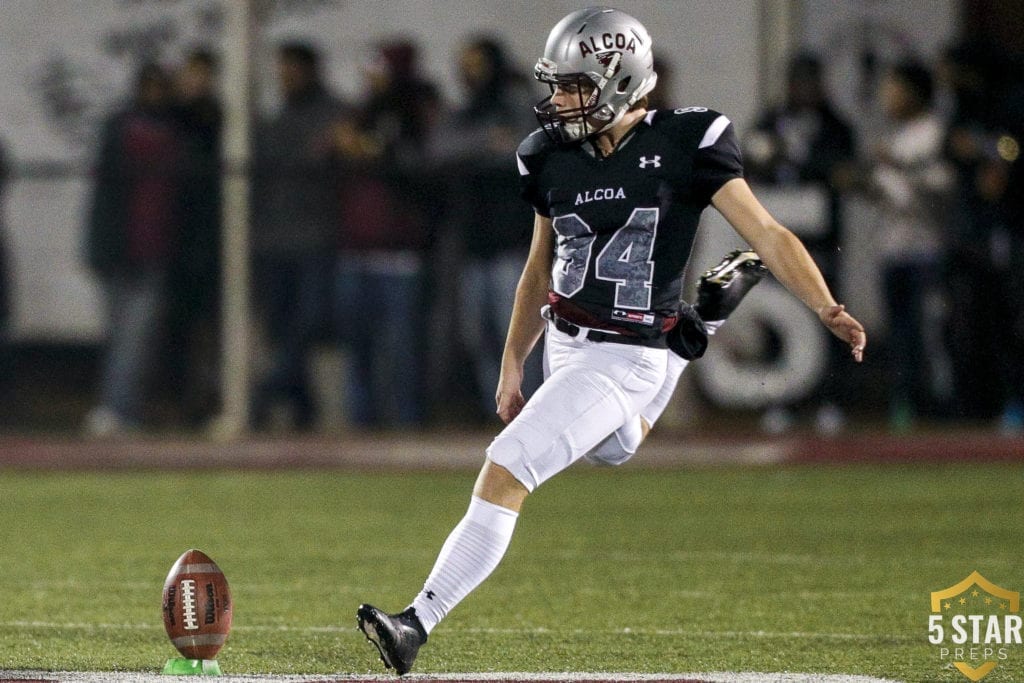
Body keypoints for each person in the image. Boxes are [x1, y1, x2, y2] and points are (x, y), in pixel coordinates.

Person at [356, 7, 866, 675]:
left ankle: (416, 620)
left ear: (620, 82)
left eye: (574, 86)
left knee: (507, 468)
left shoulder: (690, 140)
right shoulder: (546, 155)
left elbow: (767, 232)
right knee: (614, 445)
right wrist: (515, 360)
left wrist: (824, 302)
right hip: (569, 338)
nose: (559, 100)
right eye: (558, 85)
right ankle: (701, 325)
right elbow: (539, 267)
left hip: (629, 350)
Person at [426, 36, 542, 422]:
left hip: (514, 246)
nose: (470, 74)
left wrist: (475, 155)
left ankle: (540, 413)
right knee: (481, 339)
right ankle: (505, 415)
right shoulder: (464, 114)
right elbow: (439, 151)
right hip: (473, 247)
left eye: (477, 65)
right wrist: (485, 146)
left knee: (523, 339)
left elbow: (522, 151)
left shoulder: (518, 107)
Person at [331, 39, 435, 428]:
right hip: (356, 248)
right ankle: (363, 426)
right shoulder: (361, 112)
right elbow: (331, 147)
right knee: (358, 348)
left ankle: (408, 425)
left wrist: (364, 148)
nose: (370, 76)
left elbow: (400, 160)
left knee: (402, 350)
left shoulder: (414, 113)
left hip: (400, 253)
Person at [83, 63, 186, 436]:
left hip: (153, 250)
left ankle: (121, 408)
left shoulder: (178, 130)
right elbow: (103, 199)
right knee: (121, 336)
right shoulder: (120, 129)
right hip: (121, 250)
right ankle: (118, 408)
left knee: (137, 337)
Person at [250, 42, 347, 431]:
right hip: (275, 238)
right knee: (282, 326)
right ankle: (303, 410)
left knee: (307, 322)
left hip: (315, 236)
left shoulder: (334, 115)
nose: (284, 77)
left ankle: (265, 391)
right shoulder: (277, 117)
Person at [865, 61, 953, 432]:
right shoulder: (899, 134)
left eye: (894, 88)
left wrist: (897, 166)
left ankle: (938, 407)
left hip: (927, 248)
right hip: (895, 249)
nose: (888, 97)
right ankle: (907, 404)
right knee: (900, 334)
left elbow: (941, 188)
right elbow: (884, 190)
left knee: (927, 334)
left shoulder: (934, 133)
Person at [167, 48, 223, 428]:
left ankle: (202, 403)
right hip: (171, 241)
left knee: (206, 330)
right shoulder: (165, 118)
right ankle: (174, 404)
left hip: (206, 241)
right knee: (174, 330)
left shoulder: (218, 119)